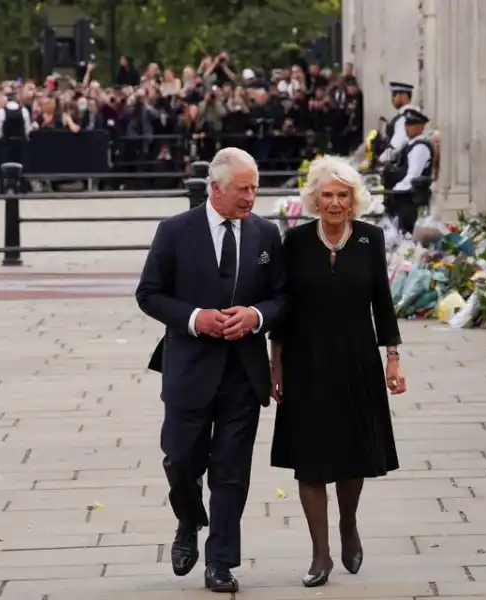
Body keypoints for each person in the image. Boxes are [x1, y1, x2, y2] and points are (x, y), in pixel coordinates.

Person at [135, 147, 286, 594]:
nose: (251, 197)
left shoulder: (265, 234)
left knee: (231, 472)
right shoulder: (175, 231)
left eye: (255, 188)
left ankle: (220, 562)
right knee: (180, 461)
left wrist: (256, 317)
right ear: (215, 188)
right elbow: (148, 293)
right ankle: (188, 519)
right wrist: (194, 318)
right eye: (243, 189)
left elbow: (282, 297)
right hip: (189, 370)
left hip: (244, 373)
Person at [269, 155, 407, 588]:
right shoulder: (294, 242)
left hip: (356, 360)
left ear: (353, 199)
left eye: (341, 195)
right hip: (305, 361)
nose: (333, 203)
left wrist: (393, 357)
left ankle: (348, 523)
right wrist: (276, 363)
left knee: (352, 457)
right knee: (309, 461)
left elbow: (381, 302)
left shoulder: (370, 239)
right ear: (314, 198)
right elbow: (283, 307)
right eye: (326, 195)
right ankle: (320, 553)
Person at [384, 107, 434, 234]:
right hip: (407, 197)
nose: (407, 128)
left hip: (412, 199)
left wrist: (394, 190)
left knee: (407, 233)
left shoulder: (420, 147)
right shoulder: (411, 144)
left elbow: (413, 176)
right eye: (406, 124)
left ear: (421, 127)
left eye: (412, 125)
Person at [376, 81, 415, 165]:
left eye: (394, 95)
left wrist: (380, 160)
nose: (392, 99)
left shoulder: (405, 118)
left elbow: (396, 146)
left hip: (400, 165)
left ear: (403, 96)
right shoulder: (406, 114)